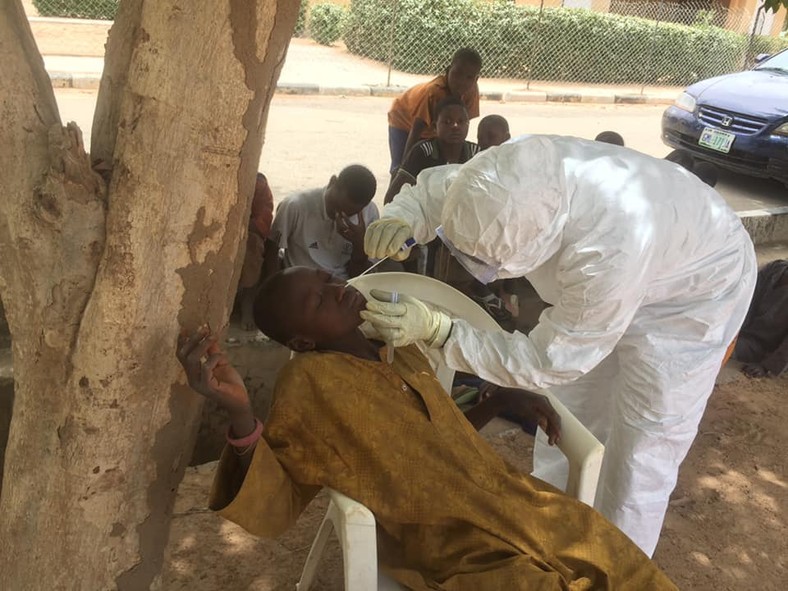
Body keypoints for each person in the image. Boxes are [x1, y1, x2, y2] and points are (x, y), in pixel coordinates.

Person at [361, 135, 757, 557]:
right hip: (648, 249)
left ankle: (617, 569)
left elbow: (548, 360)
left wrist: (445, 333)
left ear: (539, 238)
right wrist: (404, 216)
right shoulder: (504, 179)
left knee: (642, 448)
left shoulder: (604, 252)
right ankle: (549, 528)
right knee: (572, 417)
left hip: (694, 297)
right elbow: (440, 194)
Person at [176, 266, 677, 590]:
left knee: (609, 551)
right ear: (303, 341)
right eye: (318, 301)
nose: (337, 290)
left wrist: (499, 398)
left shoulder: (402, 348)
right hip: (441, 536)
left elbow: (442, 434)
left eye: (330, 279)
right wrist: (241, 414)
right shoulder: (309, 383)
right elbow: (284, 488)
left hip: (509, 500)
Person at [262, 164, 378, 283]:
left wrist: (359, 243)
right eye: (336, 206)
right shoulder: (295, 206)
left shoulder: (369, 214)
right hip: (302, 285)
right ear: (332, 182)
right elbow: (272, 250)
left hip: (343, 288)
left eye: (350, 214)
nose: (339, 214)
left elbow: (360, 275)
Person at [387, 48, 481, 174]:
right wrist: (405, 168)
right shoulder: (434, 92)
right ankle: (394, 191)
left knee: (432, 169)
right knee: (400, 168)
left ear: (476, 79)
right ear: (448, 70)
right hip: (403, 120)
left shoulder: (472, 91)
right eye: (457, 74)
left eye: (469, 77)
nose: (461, 82)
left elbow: (462, 124)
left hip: (435, 128)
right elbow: (416, 131)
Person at [385, 97, 480, 204]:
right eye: (448, 122)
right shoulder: (423, 151)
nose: (455, 126)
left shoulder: (475, 153)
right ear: (435, 126)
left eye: (461, 122)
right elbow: (393, 196)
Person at [733, 259, 788, 377]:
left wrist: (766, 366)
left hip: (761, 347)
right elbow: (748, 290)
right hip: (740, 328)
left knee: (718, 347)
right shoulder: (777, 268)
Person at [237, 173, 274, 330]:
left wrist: (238, 225)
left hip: (245, 233)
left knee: (252, 243)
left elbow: (262, 222)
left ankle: (247, 303)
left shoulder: (258, 184)